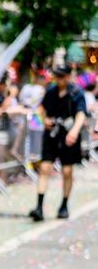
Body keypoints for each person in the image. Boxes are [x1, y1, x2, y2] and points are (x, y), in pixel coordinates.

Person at [29, 64, 87, 222]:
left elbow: (81, 114)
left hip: (68, 135)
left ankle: (64, 205)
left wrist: (74, 132)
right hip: (52, 135)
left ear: (68, 76)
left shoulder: (76, 93)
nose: (58, 79)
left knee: (67, 171)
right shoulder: (51, 91)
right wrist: (44, 120)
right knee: (45, 168)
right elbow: (41, 108)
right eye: (57, 75)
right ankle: (39, 207)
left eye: (61, 76)